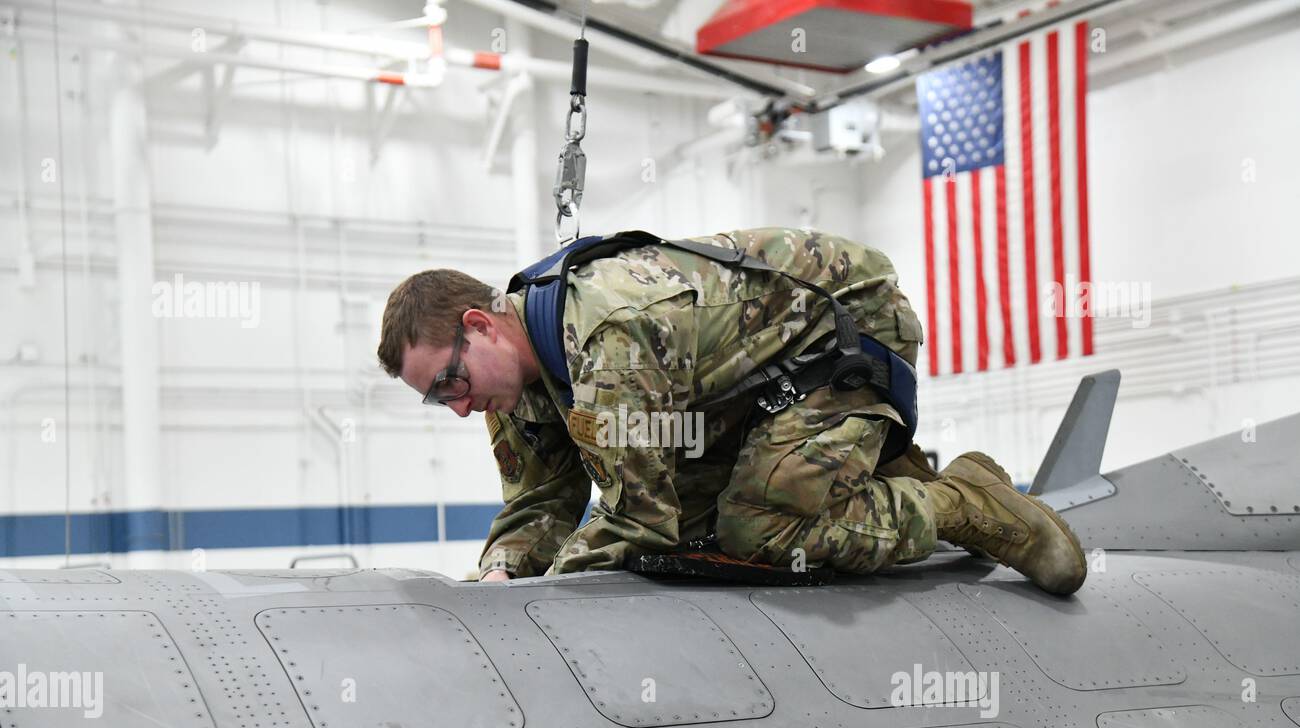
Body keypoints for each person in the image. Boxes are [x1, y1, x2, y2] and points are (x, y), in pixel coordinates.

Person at [376, 227, 1086, 595]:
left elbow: (636, 520)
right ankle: (842, 477)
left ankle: (960, 502)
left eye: (449, 384)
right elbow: (539, 503)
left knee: (754, 528)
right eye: (438, 400)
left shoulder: (607, 338)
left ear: (479, 324)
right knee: (697, 535)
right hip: (743, 379)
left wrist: (548, 590)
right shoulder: (512, 384)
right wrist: (504, 571)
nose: (459, 409)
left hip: (845, 332)